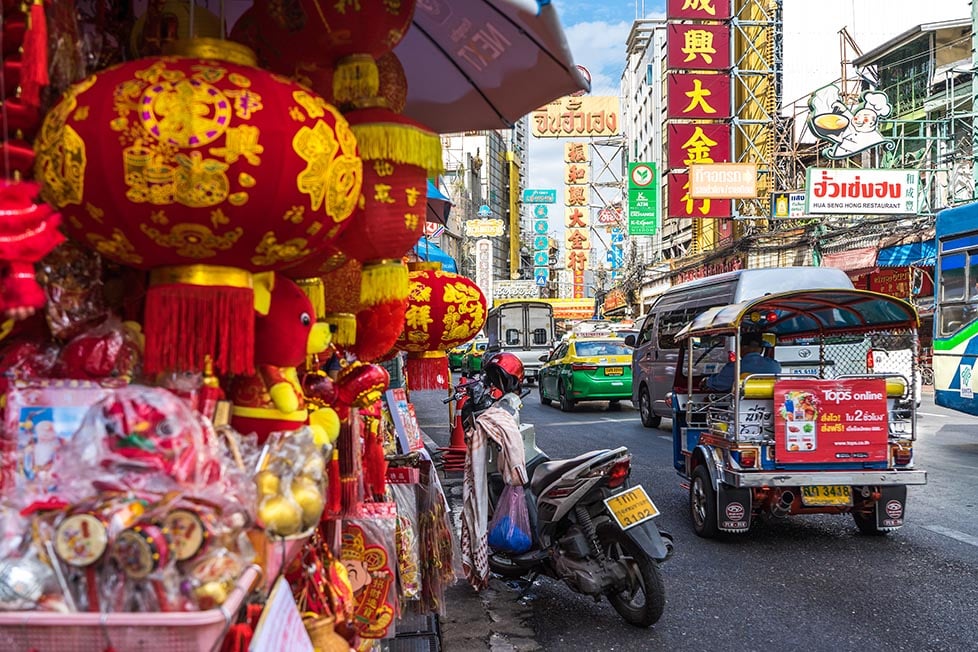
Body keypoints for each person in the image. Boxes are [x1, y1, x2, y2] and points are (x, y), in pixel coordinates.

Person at [703, 332, 781, 392]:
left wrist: (707, 381)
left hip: (740, 406)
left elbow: (720, 384)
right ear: (761, 349)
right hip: (770, 407)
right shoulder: (775, 366)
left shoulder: (735, 367)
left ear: (743, 347)